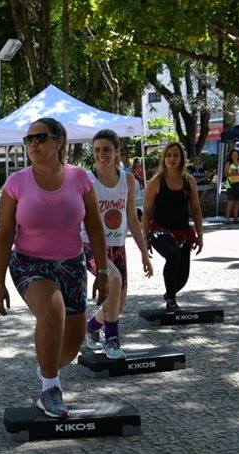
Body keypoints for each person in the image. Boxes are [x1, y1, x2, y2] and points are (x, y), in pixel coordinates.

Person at [0, 117, 109, 418]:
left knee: (70, 347)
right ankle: (50, 389)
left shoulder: (80, 178)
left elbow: (95, 227)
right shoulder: (16, 183)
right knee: (52, 308)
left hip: (72, 266)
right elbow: (4, 235)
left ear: (59, 141)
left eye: (40, 137)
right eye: (28, 139)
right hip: (29, 264)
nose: (33, 144)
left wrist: (103, 272)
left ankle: (48, 368)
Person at [84, 129, 153, 359]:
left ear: (116, 151)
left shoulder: (128, 180)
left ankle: (92, 326)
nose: (101, 154)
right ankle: (112, 341)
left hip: (118, 246)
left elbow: (132, 218)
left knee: (118, 304)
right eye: (97, 150)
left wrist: (144, 253)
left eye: (106, 149)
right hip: (92, 245)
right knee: (114, 280)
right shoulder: (87, 180)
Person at [142, 141, 204, 311]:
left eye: (176, 155)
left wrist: (200, 235)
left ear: (182, 159)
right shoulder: (156, 182)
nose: (172, 159)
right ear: (163, 159)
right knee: (173, 254)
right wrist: (145, 238)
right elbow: (147, 212)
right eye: (168, 155)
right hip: (159, 230)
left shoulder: (189, 181)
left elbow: (196, 209)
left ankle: (170, 292)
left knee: (183, 277)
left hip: (183, 231)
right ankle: (171, 300)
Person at [224, 149, 239, 222]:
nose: (235, 156)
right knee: (231, 201)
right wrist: (235, 173)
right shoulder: (228, 163)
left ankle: (235, 218)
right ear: (230, 156)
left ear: (238, 155)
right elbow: (225, 174)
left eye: (236, 154)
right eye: (233, 155)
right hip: (230, 184)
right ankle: (227, 218)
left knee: (237, 201)